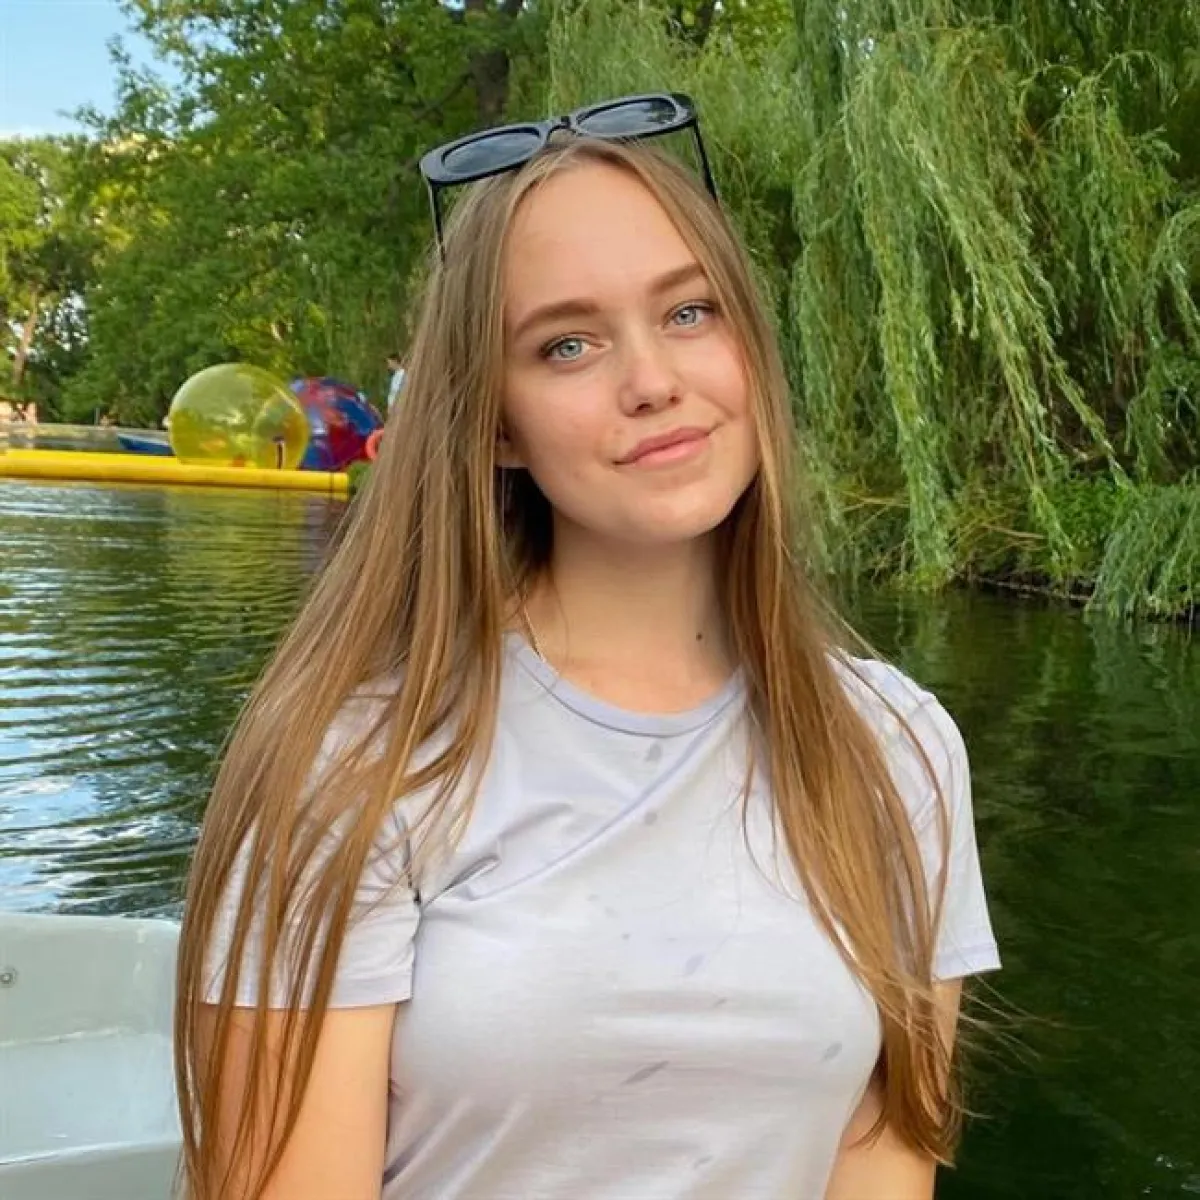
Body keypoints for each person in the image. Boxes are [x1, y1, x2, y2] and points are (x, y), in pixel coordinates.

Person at [175, 93, 1000, 1200]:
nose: (652, 381)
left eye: (691, 312)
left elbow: (888, 1163)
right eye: (567, 344)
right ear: (496, 423)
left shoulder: (897, 748)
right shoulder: (355, 759)